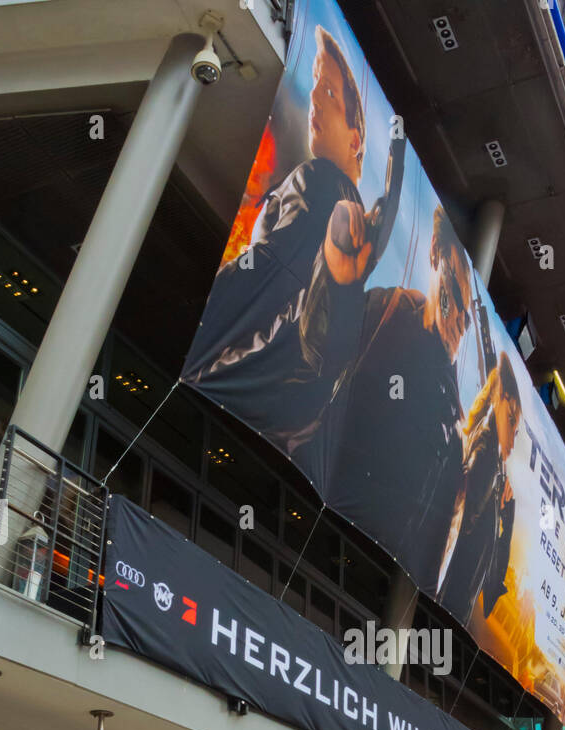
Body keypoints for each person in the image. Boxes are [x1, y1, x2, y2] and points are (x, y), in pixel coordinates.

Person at [183, 25, 369, 452]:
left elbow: (267, 267)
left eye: (330, 95)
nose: (315, 103)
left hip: (236, 376)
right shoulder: (358, 239)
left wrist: (204, 320)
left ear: (355, 139)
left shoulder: (319, 178)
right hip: (283, 421)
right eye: (317, 86)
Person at [300, 201, 472, 595]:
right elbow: (317, 348)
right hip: (316, 523)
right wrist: (338, 282)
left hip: (374, 583)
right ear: (434, 254)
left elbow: (431, 549)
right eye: (452, 300)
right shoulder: (388, 310)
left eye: (465, 316)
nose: (458, 321)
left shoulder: (454, 422)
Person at [437, 352, 521, 624]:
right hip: (449, 601)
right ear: (500, 402)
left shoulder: (491, 463)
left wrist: (506, 516)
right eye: (511, 419)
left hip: (451, 601)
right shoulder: (484, 454)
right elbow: (464, 523)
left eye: (516, 429)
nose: (513, 437)